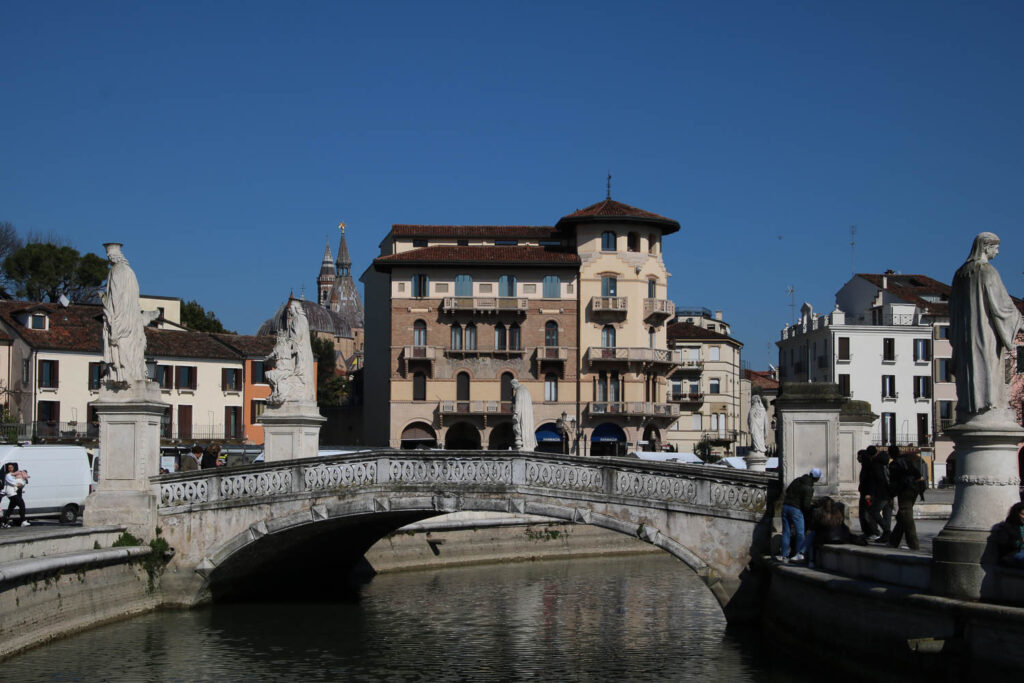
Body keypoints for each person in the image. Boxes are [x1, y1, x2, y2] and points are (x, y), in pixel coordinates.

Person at [949, 232, 1023, 423]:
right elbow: (1002, 306)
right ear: (986, 247)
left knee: (970, 368)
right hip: (985, 332)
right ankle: (989, 404)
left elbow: (952, 307)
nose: (997, 253)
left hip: (964, 336)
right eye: (996, 248)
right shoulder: (987, 271)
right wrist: (1019, 320)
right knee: (987, 365)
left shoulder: (960, 275)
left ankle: (970, 404)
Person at [778, 468, 821, 563]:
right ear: (816, 478)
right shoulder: (809, 488)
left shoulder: (797, 480)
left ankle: (784, 555)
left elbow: (788, 490)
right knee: (800, 533)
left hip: (785, 506)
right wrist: (812, 507)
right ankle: (798, 555)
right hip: (796, 509)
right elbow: (806, 505)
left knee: (786, 532)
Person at [888, 450, 925, 550]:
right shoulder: (908, 462)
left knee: (905, 514)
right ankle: (893, 541)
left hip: (904, 490)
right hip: (914, 489)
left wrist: (891, 494)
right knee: (902, 516)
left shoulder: (894, 464)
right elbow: (919, 476)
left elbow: (893, 481)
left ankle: (913, 544)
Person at [805, 497, 857, 567]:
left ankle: (811, 561)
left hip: (827, 538)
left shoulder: (820, 512)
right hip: (840, 538)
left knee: (812, 537)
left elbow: (814, 527)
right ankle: (802, 554)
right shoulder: (838, 513)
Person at [864, 447, 893, 543]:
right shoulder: (885, 461)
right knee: (887, 514)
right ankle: (886, 536)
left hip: (881, 493)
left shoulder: (875, 464)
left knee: (874, 511)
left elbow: (875, 480)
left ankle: (887, 531)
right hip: (890, 492)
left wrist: (870, 493)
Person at [857, 449, 879, 539]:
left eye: (858, 456)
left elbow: (871, 481)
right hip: (864, 493)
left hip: (867, 495)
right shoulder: (865, 466)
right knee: (863, 513)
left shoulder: (868, 467)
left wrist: (869, 493)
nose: (857, 458)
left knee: (867, 513)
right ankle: (867, 531)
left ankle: (873, 531)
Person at [994, 502, 1024, 569]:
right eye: (1023, 514)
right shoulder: (1007, 527)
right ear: (1016, 514)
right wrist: (1021, 541)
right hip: (1012, 554)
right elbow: (1005, 544)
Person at [1, 462, 29, 528]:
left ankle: (3, 522)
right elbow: (14, 483)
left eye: (11, 467)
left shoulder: (16, 475)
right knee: (21, 504)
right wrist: (19, 483)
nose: (10, 469)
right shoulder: (8, 475)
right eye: (9, 468)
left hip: (15, 493)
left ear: (14, 468)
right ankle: (23, 521)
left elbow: (22, 481)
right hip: (11, 493)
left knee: (10, 508)